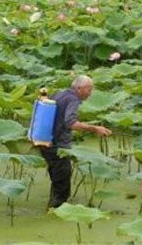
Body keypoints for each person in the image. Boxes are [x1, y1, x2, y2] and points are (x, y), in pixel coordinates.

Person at [39, 75, 112, 208]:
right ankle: (56, 210)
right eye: (89, 90)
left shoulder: (60, 94)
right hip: (58, 146)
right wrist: (95, 128)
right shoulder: (73, 99)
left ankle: (54, 204)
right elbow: (71, 123)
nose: (90, 94)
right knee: (62, 183)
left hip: (45, 141)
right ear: (79, 88)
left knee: (57, 178)